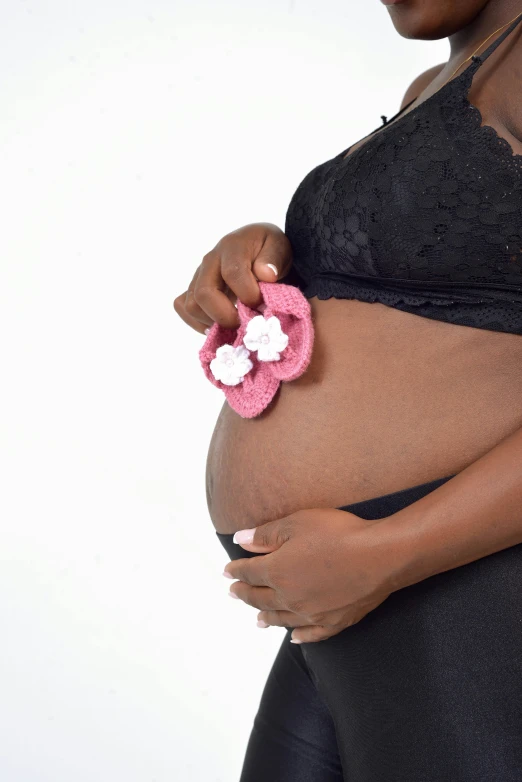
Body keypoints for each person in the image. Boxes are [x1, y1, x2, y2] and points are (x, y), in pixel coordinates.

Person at [174, 2, 522, 780]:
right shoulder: (435, 85)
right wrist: (271, 258)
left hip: (456, 590)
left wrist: (390, 553)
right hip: (345, 610)